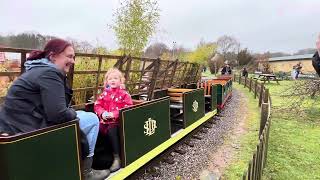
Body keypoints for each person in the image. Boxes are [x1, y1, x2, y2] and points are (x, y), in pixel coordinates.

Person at [0, 39, 110, 180]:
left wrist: (71, 112)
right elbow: (58, 114)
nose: (73, 61)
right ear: (53, 56)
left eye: (73, 57)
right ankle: (86, 172)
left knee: (82, 114)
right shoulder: (49, 73)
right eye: (69, 56)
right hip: (26, 132)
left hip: (16, 125)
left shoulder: (36, 69)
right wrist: (71, 112)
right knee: (93, 119)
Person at [94, 68, 133, 172]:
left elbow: (128, 107)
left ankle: (117, 157)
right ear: (106, 81)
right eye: (110, 78)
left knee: (112, 129)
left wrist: (114, 114)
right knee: (96, 127)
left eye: (115, 78)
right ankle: (98, 154)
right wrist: (102, 113)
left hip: (118, 123)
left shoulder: (124, 94)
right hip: (105, 121)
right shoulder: (104, 93)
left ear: (121, 81)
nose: (112, 80)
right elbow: (97, 105)